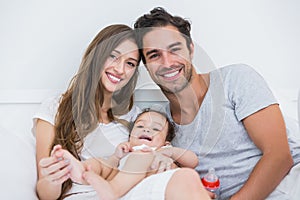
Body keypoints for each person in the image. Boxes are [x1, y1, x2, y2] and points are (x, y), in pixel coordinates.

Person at [134, 7, 300, 200]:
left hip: (289, 185)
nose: (167, 62)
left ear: (191, 49)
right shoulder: (160, 126)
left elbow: (279, 156)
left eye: (175, 49)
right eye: (154, 55)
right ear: (146, 66)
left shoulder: (235, 79)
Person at [33, 24, 211, 200]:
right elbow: (45, 193)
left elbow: (155, 155)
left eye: (130, 63)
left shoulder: (136, 117)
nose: (120, 69)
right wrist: (52, 178)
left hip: (130, 193)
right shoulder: (56, 107)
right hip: (86, 193)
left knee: (186, 177)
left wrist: (165, 161)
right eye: (113, 57)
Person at [51, 108, 205, 200]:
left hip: (163, 188)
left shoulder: (163, 152)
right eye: (140, 126)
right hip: (130, 184)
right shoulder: (129, 153)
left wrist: (170, 151)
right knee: (102, 163)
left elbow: (193, 161)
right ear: (130, 136)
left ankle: (112, 189)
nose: (146, 130)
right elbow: (110, 168)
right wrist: (116, 157)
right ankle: (82, 169)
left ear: (165, 142)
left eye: (156, 129)